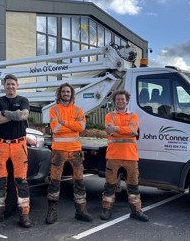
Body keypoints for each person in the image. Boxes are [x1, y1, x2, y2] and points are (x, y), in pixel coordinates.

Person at [0, 74, 31, 228]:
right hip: (1, 145)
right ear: (4, 86)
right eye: (8, 84)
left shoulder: (23, 100)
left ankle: (24, 214)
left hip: (19, 145)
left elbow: (23, 116)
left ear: (17, 85)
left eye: (13, 84)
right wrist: (13, 115)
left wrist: (4, 113)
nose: (10, 87)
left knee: (21, 181)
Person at [45, 83, 93, 224]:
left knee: (79, 182)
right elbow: (55, 128)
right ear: (60, 94)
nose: (66, 94)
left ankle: (81, 211)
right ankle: (52, 212)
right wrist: (72, 124)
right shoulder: (54, 110)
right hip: (59, 150)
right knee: (54, 182)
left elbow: (82, 127)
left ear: (72, 94)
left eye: (68, 92)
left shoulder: (78, 110)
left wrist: (64, 122)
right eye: (63, 92)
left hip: (75, 150)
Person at [100, 90, 149, 222]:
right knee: (110, 185)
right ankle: (106, 209)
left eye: (122, 99)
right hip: (113, 156)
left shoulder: (134, 115)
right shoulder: (109, 115)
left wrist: (116, 129)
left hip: (130, 157)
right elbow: (110, 131)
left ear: (127, 101)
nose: (120, 101)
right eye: (117, 99)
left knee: (133, 185)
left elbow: (133, 130)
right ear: (114, 101)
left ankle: (136, 211)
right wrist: (125, 130)